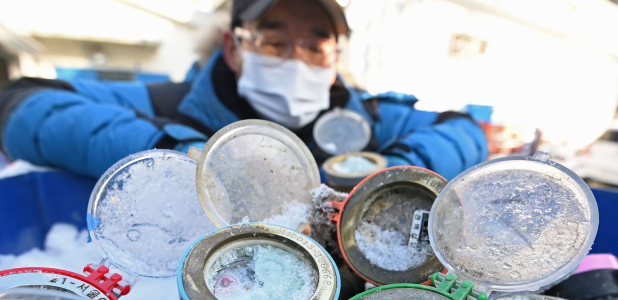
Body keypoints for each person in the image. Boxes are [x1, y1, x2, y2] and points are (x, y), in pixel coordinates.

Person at [0, 0, 487, 180]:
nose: (297, 59)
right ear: (234, 48)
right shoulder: (168, 106)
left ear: (335, 57)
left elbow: (463, 130)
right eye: (274, 42)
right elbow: (25, 105)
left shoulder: (372, 119)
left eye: (316, 46)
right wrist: (175, 154)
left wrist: (388, 177)